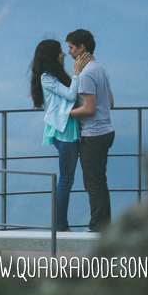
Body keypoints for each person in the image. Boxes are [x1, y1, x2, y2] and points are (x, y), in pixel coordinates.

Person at [29, 38, 91, 232]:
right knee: (66, 180)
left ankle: (61, 225)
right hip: (64, 133)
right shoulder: (47, 77)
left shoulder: (54, 76)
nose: (64, 54)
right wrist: (76, 72)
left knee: (67, 179)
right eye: (60, 51)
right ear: (51, 56)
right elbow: (71, 96)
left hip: (69, 131)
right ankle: (61, 226)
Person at [66, 28, 115, 231]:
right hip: (106, 131)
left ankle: (96, 228)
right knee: (100, 182)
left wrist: (64, 114)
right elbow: (111, 102)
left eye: (71, 47)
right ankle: (105, 226)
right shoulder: (100, 67)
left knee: (93, 184)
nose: (69, 52)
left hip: (93, 135)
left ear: (81, 48)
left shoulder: (86, 74)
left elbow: (89, 108)